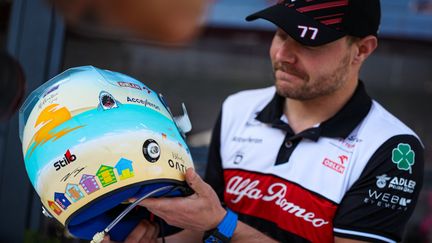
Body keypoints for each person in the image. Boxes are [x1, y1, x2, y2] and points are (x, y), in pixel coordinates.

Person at [103, 0, 425, 242]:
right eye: (282, 34)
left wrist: (223, 223)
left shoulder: (393, 148)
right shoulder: (238, 107)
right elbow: (201, 224)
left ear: (362, 50)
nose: (283, 54)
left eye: (308, 41)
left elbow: (215, 220)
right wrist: (154, 234)